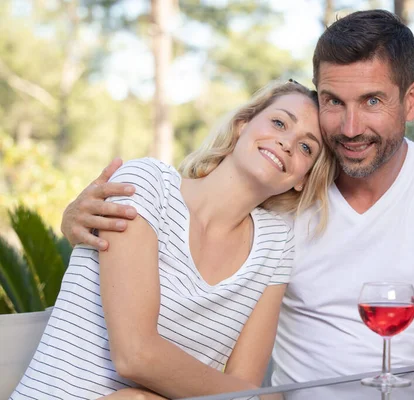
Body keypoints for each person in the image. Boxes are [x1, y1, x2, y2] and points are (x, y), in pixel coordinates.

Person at [60, 9, 414, 388]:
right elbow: (196, 201)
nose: (349, 128)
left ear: (410, 101)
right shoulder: (283, 193)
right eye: (333, 101)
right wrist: (77, 219)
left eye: (371, 101)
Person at [10, 80, 335, 400]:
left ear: (302, 179)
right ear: (241, 125)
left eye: (307, 147)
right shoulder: (147, 185)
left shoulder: (275, 245)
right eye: (279, 123)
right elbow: (134, 355)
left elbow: (243, 388)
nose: (288, 143)